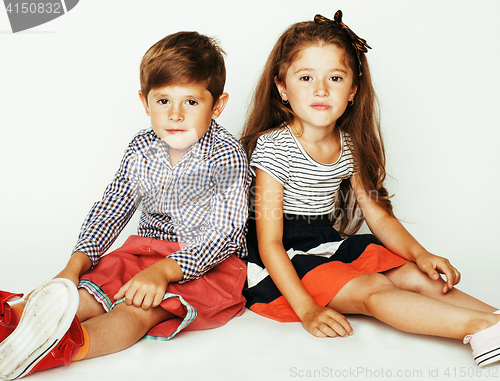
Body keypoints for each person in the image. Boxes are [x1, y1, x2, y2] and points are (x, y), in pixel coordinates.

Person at [240, 10, 500, 367]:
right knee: (373, 291)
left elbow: (376, 214)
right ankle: (477, 327)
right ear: (282, 88)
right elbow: (269, 242)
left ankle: (496, 321)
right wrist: (308, 310)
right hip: (282, 258)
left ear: (352, 90)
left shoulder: (348, 144)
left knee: (412, 274)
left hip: (324, 241)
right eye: (305, 77)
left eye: (334, 77)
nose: (320, 89)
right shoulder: (274, 147)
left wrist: (421, 254)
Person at [0, 31, 251, 380]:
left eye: (191, 103)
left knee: (138, 308)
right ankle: (12, 323)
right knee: (84, 293)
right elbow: (113, 207)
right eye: (163, 101)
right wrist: (74, 266)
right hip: (144, 253)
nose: (175, 115)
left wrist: (164, 271)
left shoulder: (226, 154)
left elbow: (225, 234)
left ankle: (59, 348)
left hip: (208, 265)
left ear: (217, 105)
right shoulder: (141, 147)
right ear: (145, 102)